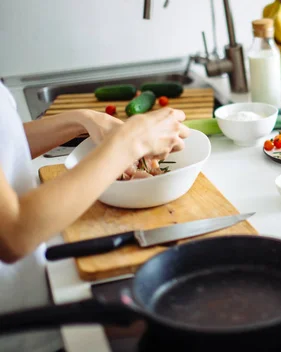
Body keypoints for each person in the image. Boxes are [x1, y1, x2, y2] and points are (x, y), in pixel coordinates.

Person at [0, 79, 189, 351]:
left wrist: (82, 120)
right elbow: (13, 233)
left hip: (29, 306)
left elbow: (7, 145)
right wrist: (128, 142)